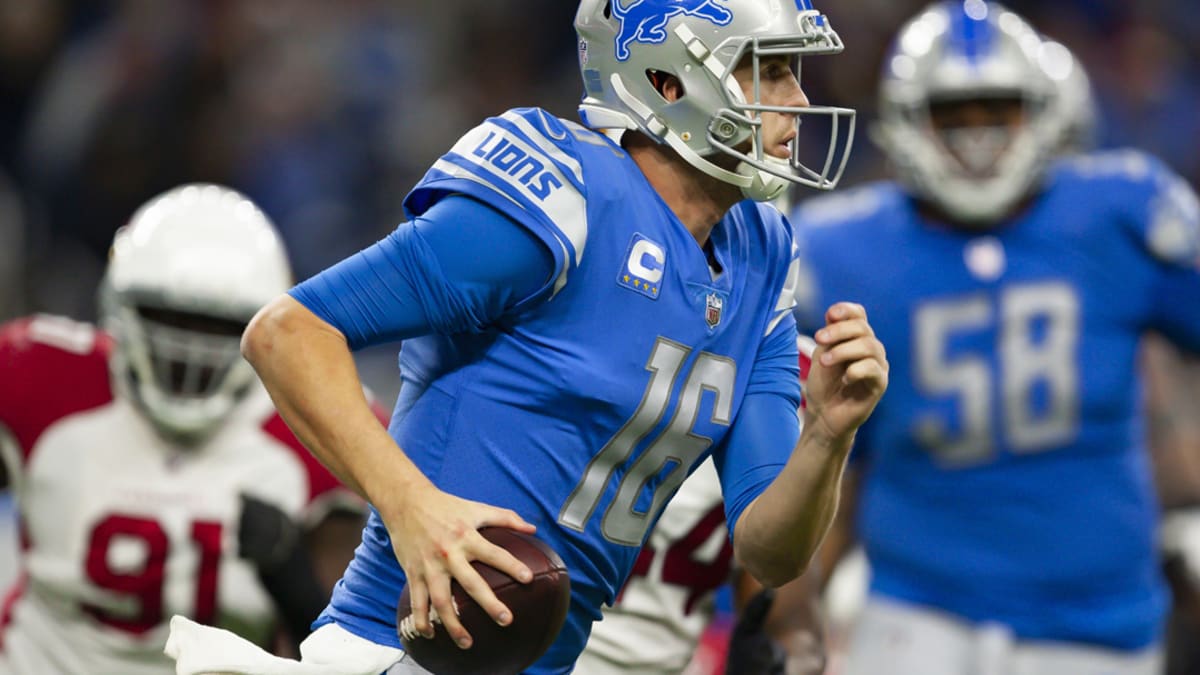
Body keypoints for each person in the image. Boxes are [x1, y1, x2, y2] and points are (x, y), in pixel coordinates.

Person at [165, 1, 888, 674]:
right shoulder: (568, 197)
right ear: (668, 81)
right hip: (400, 651)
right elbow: (288, 332)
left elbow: (770, 548)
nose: (794, 100)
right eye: (767, 69)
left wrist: (826, 434)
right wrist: (410, 504)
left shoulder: (763, 254)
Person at [789, 2, 1200, 674]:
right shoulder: (840, 250)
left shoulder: (1121, 211)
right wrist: (797, 598)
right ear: (906, 119)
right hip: (916, 607)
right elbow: (805, 449)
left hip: (1097, 618)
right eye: (954, 113)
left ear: (1041, 110)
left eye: (996, 111)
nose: (977, 134)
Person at [0, 183, 367, 674]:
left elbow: (347, 657)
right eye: (166, 316)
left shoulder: (318, 423)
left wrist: (292, 579)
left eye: (217, 327)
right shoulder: (37, 377)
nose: (188, 349)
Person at [575, 339, 826, 675]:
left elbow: (787, 615)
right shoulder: (580, 310)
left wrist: (787, 659)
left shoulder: (791, 372)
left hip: (663, 664)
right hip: (527, 648)